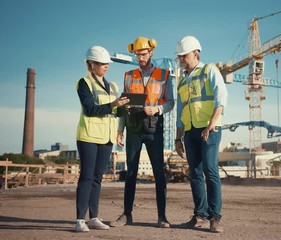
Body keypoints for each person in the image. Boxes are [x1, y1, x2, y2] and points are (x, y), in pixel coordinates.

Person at [110, 37, 175, 228]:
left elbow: (170, 102)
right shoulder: (129, 75)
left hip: (154, 129)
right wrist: (120, 130)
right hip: (133, 128)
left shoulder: (164, 74)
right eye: (137, 55)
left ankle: (162, 217)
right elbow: (124, 104)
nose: (140, 58)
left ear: (151, 52)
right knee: (131, 172)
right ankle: (126, 215)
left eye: (143, 54)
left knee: (159, 173)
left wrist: (157, 109)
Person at [174, 36, 228, 233]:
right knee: (195, 173)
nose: (180, 58)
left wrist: (211, 124)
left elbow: (221, 99)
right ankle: (200, 216)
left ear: (195, 53)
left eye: (184, 55)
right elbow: (180, 111)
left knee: (210, 171)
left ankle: (215, 217)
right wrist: (178, 138)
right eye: (179, 55)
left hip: (210, 129)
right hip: (190, 131)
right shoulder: (181, 81)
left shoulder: (209, 70)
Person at [75, 45, 129, 232]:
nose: (106, 66)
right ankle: (80, 220)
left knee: (98, 178)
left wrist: (126, 105)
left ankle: (94, 218)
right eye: (101, 63)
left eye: (107, 63)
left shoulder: (113, 86)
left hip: (107, 137)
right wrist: (114, 103)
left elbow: (117, 111)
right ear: (91, 64)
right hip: (89, 136)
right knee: (86, 177)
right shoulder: (84, 83)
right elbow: (90, 109)